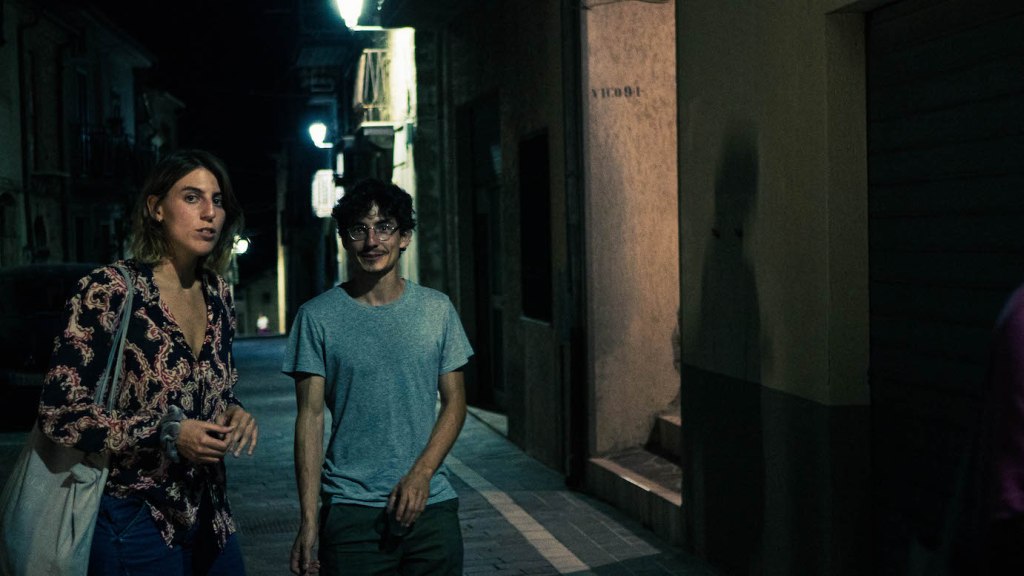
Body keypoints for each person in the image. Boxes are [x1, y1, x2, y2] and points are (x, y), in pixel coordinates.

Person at [38, 149, 259, 575]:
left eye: (217, 200)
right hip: (134, 515)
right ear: (156, 208)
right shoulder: (110, 291)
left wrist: (235, 411)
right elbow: (59, 413)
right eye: (192, 198)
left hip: (209, 512)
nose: (209, 213)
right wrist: (166, 431)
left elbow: (218, 387)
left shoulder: (218, 293)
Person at [282, 178, 473, 575]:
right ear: (344, 239)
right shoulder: (316, 317)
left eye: (384, 227)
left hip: (431, 505)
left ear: (404, 237)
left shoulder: (437, 310)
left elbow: (455, 403)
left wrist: (422, 474)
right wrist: (309, 519)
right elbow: (310, 419)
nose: (372, 241)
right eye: (359, 229)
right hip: (351, 511)